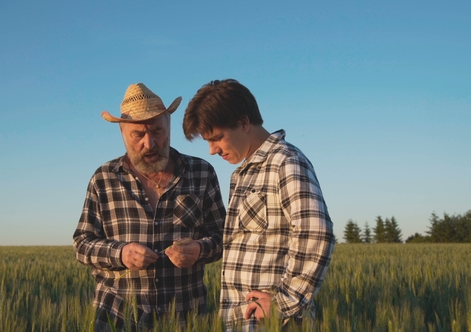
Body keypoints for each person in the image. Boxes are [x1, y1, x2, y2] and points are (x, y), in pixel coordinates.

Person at [182, 79, 335, 331]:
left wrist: (284, 302)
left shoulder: (285, 162)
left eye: (217, 138)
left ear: (243, 123)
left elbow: (316, 232)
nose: (211, 150)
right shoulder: (245, 172)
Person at [73, 83, 226, 331]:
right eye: (138, 135)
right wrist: (120, 254)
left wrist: (199, 249)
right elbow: (82, 244)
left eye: (157, 131)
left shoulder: (201, 173)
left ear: (168, 127)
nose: (150, 143)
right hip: (116, 318)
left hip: (184, 319)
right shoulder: (104, 178)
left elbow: (224, 238)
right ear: (123, 133)